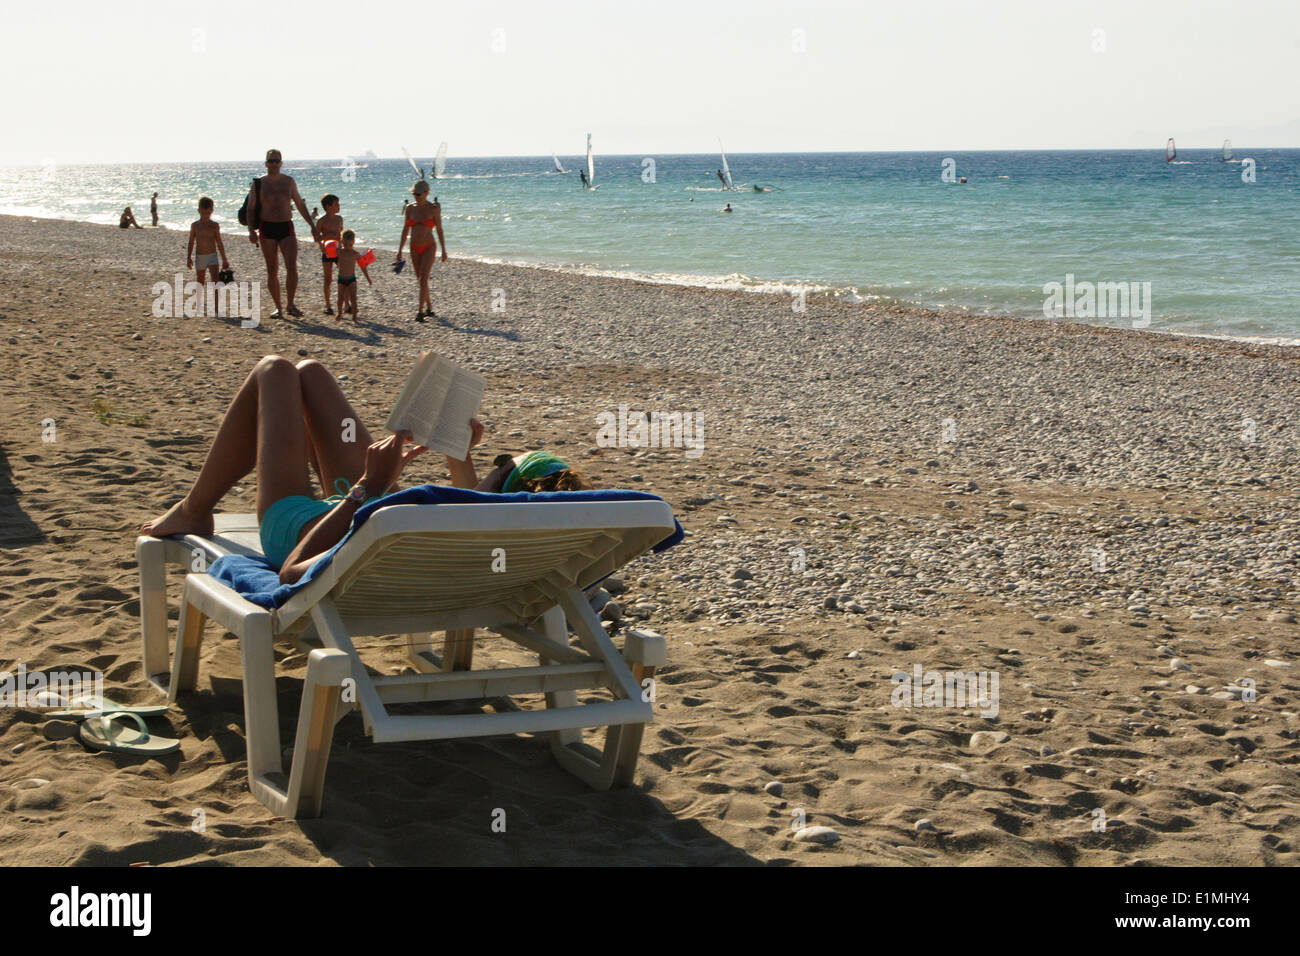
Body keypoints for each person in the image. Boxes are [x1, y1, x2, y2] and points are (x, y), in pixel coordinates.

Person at [139, 357, 591, 583]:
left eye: (500, 466)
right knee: (311, 373)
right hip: (356, 511)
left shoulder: (437, 523)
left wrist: (367, 487)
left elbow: (293, 573)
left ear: (497, 492)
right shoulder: (477, 537)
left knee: (275, 371)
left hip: (296, 528)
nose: (492, 468)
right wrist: (457, 454)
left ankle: (194, 508)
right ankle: (193, 506)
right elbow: (476, 502)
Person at [246, 148, 320, 320]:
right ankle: (278, 308)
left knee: (292, 267)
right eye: (270, 161)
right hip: (267, 228)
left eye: (276, 160)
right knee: (272, 270)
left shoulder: (289, 182)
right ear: (266, 163)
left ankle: (290, 304)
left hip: (286, 227)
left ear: (281, 163)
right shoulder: (259, 184)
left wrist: (312, 226)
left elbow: (300, 205)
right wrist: (251, 230)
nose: (273, 164)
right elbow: (250, 209)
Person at [395, 180, 446, 322]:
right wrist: (399, 250)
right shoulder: (410, 208)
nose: (416, 196)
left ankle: (420, 311)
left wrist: (444, 250)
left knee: (424, 278)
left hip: (429, 246)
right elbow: (405, 230)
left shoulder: (433, 209)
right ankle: (429, 306)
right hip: (414, 247)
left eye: (419, 194)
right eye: (414, 194)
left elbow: (440, 230)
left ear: (426, 193)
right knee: (420, 279)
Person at [187, 197, 230, 307]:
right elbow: (191, 242)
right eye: (204, 213)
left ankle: (216, 306)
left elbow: (219, 242)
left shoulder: (214, 225)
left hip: (212, 256)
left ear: (212, 211)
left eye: (208, 212)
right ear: (199, 211)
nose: (206, 215)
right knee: (200, 281)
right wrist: (188, 257)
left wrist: (224, 259)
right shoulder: (195, 225)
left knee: (215, 280)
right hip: (200, 256)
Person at [334, 230, 373, 322]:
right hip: (341, 279)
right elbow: (327, 250)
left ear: (354, 242)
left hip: (351, 279)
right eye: (345, 245)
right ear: (342, 242)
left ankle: (354, 316)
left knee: (353, 298)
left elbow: (363, 267)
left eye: (350, 245)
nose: (348, 247)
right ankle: (339, 313)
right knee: (340, 299)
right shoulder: (339, 252)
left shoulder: (355, 254)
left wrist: (368, 279)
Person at [316, 194, 343, 315]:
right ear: (328, 206)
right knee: (328, 279)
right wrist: (325, 240)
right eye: (336, 204)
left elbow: (341, 234)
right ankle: (328, 304)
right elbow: (317, 237)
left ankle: (347, 304)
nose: (339, 206)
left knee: (345, 276)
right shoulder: (321, 221)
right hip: (327, 251)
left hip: (338, 251)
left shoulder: (339, 219)